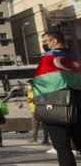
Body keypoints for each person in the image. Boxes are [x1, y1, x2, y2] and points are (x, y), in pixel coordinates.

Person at [33, 30, 81, 165]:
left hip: (58, 105)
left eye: (45, 42)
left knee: (63, 147)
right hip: (78, 102)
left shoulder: (48, 58)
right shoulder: (76, 58)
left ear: (54, 41)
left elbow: (40, 83)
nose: (43, 45)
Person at [26, 79, 49, 145]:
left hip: (38, 109)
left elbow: (39, 98)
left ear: (32, 85)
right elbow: (28, 99)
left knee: (42, 125)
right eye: (27, 85)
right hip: (33, 109)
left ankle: (45, 139)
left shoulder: (36, 91)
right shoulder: (29, 91)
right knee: (34, 125)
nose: (28, 86)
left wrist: (32, 99)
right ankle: (34, 138)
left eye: (29, 85)